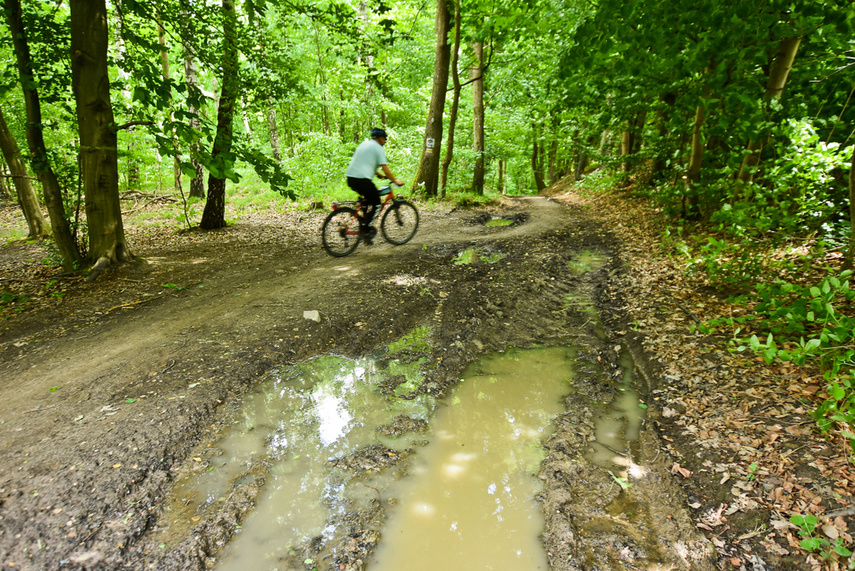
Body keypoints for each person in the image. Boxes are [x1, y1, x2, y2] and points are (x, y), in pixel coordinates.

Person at [345, 128, 404, 244]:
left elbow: (363, 162)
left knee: (368, 200)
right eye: (384, 139)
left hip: (351, 178)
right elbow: (386, 169)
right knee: (377, 203)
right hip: (362, 180)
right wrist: (395, 181)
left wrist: (377, 174)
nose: (385, 141)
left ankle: (363, 223)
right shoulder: (378, 149)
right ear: (379, 138)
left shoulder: (364, 144)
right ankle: (366, 231)